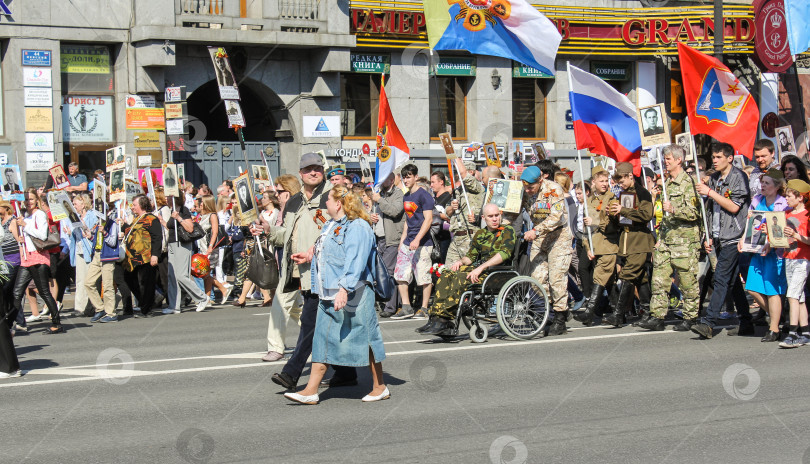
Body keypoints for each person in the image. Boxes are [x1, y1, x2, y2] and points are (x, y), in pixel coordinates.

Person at [283, 185, 388, 404]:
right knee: (322, 340)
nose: (325, 205)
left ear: (339, 203)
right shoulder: (330, 225)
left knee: (365, 338)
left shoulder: (359, 226)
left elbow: (356, 261)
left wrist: (344, 289)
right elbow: (326, 250)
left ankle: (379, 387)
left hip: (353, 293)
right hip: (327, 292)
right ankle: (311, 391)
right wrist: (309, 255)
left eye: (327, 201)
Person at [267, 153, 357, 390]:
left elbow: (348, 228)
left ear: (323, 170)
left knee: (310, 322)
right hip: (301, 272)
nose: (313, 172)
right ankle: (347, 372)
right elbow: (284, 235)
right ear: (300, 173)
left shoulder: (335, 195)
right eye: (308, 169)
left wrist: (314, 250)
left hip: (327, 272)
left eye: (317, 167)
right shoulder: (294, 201)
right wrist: (267, 230)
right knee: (327, 324)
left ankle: (291, 372)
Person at [418, 203, 516, 335]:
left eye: (496, 215)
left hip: (497, 273)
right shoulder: (481, 233)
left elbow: (504, 254)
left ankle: (445, 318)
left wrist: (480, 268)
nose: (494, 219)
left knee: (460, 278)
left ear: (500, 215)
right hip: (480, 271)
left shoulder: (507, 231)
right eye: (490, 216)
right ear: (483, 218)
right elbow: (471, 257)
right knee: (447, 274)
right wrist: (460, 261)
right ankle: (436, 317)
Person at [693, 143, 752, 339]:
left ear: (729, 158)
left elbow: (734, 207)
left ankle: (708, 323)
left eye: (718, 157)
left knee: (720, 277)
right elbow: (709, 209)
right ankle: (746, 321)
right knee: (733, 281)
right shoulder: (716, 178)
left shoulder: (738, 177)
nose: (715, 160)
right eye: (713, 157)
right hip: (718, 235)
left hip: (734, 236)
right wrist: (708, 235)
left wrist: (710, 192)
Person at [639, 145, 701, 332]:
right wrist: (660, 237)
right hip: (667, 240)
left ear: (678, 160)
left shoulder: (688, 183)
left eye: (668, 159)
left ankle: (691, 317)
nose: (665, 162)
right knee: (659, 279)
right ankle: (657, 316)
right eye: (665, 159)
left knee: (687, 280)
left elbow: (695, 213)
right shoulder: (666, 184)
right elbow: (663, 217)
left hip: (684, 241)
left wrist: (674, 209)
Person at [522, 165, 573, 335]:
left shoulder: (554, 189)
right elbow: (514, 210)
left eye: (531, 187)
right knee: (537, 279)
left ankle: (560, 317)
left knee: (556, 278)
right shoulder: (525, 192)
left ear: (540, 180)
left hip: (558, 237)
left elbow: (557, 217)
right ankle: (549, 313)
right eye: (525, 187)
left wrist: (535, 231)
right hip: (539, 239)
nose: (528, 190)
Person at [740, 169, 788, 342]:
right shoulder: (757, 199)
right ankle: (777, 316)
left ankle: (774, 329)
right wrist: (742, 240)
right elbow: (750, 221)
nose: (763, 186)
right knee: (752, 288)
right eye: (762, 182)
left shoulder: (782, 203)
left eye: (767, 183)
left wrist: (771, 242)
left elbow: (782, 230)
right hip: (758, 251)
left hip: (775, 253)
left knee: (772, 290)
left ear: (776, 187)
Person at [605, 162, 654, 327]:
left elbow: (646, 215)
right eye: (618, 182)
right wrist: (612, 214)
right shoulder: (624, 194)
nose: (620, 184)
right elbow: (623, 221)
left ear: (630, 176)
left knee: (627, 275)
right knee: (641, 278)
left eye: (622, 180)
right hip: (627, 241)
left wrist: (623, 210)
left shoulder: (643, 193)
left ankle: (618, 315)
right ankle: (648, 312)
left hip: (640, 241)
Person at [12, 188, 62, 334]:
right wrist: (21, 238)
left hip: (38, 257)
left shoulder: (40, 215)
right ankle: (15, 322)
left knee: (44, 292)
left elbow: (42, 235)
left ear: (37, 201)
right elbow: (27, 236)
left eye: (31, 199)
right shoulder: (26, 216)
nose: (28, 202)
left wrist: (25, 227)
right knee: (17, 292)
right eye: (26, 200)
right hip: (26, 258)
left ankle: (56, 322)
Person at [575, 167, 619, 326]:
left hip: (608, 245)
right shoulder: (590, 201)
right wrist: (587, 247)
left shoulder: (612, 199)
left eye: (607, 181)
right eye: (601, 181)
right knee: (609, 281)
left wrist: (596, 222)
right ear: (594, 182)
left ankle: (589, 312)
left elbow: (613, 225)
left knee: (599, 276)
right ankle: (618, 312)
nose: (605, 184)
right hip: (595, 245)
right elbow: (586, 229)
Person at [390, 163, 434, 320]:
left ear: (416, 177)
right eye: (404, 177)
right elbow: (408, 220)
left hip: (423, 243)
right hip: (408, 242)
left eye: (409, 176)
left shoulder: (424, 195)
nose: (406, 180)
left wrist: (417, 239)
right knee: (401, 274)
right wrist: (403, 240)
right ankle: (406, 307)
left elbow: (428, 220)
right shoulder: (406, 196)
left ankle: (424, 308)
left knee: (423, 277)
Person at [162, 194, 209, 315]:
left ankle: (202, 298)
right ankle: (174, 306)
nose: (165, 199)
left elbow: (190, 228)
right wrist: (162, 221)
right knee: (172, 276)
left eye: (168, 197)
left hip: (181, 244)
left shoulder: (183, 210)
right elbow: (171, 228)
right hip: (172, 243)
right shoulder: (173, 210)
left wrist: (179, 218)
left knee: (181, 276)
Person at [779, 179, 810, 348]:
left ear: (800, 197)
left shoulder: (807, 215)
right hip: (788, 258)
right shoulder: (787, 214)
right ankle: (805, 332)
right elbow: (781, 236)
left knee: (792, 295)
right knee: (799, 298)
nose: (786, 199)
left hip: (803, 260)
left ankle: (792, 333)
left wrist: (796, 235)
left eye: (789, 196)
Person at [120, 195, 161, 317]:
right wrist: (123, 225)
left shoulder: (151, 218)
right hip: (133, 257)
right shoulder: (137, 219)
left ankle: (146, 309)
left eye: (134, 205)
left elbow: (157, 237)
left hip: (146, 256)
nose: (132, 207)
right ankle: (145, 302)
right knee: (129, 279)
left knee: (146, 282)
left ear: (142, 205)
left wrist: (155, 255)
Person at [371, 172, 405, 318]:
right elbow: (376, 213)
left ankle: (390, 306)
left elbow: (395, 211)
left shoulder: (398, 194)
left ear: (392, 180)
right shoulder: (380, 194)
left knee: (388, 272)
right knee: (381, 271)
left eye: (384, 178)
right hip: (379, 238)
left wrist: (379, 200)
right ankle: (386, 302)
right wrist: (370, 216)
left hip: (392, 238)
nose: (381, 181)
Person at [196, 195, 234, 305]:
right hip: (203, 247)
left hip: (210, 248)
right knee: (206, 274)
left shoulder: (212, 215)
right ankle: (209, 297)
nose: (200, 204)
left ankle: (222, 288)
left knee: (205, 273)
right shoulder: (203, 216)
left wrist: (210, 246)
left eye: (202, 202)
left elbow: (215, 232)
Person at [67, 194, 98, 322]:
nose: (74, 206)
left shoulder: (92, 215)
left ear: (83, 204)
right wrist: (70, 233)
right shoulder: (77, 217)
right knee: (79, 279)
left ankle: (88, 306)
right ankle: (79, 307)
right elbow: (75, 236)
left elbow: (93, 232)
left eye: (76, 204)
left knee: (88, 280)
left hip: (88, 250)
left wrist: (85, 227)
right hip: (79, 250)